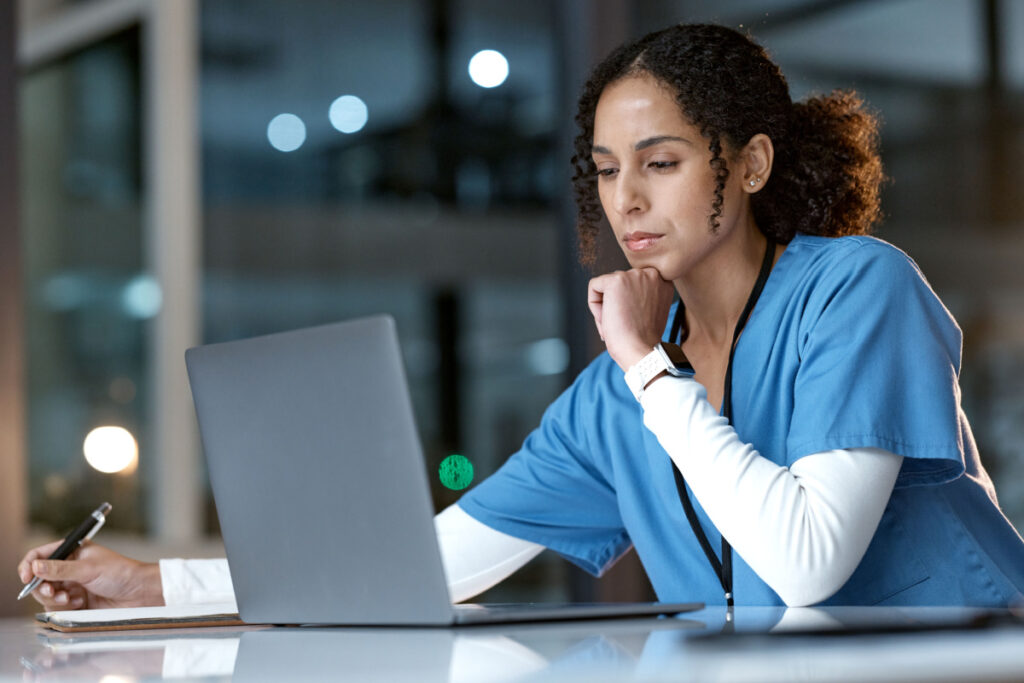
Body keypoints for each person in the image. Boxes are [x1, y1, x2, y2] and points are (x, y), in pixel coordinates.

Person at [18, 23, 1024, 610]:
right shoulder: (616, 400)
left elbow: (806, 565)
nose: (624, 199)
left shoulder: (856, 290)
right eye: (604, 171)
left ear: (750, 163)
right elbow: (429, 563)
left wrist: (644, 364)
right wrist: (150, 584)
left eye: (660, 162)